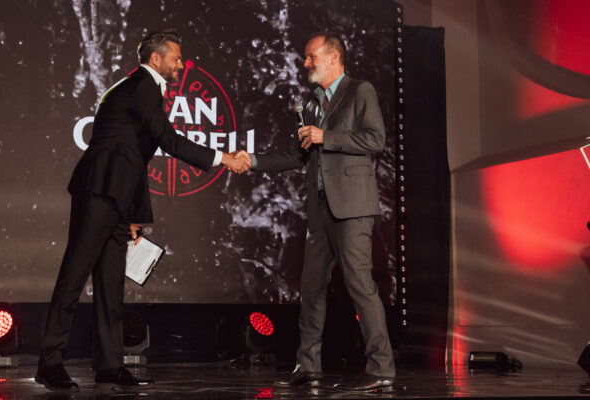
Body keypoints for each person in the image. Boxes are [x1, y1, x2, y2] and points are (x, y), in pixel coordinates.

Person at [36, 31, 249, 392]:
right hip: (98, 192)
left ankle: (109, 366)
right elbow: (169, 140)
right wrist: (224, 158)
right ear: (156, 59)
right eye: (176, 58)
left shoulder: (142, 89)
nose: (181, 65)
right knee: (74, 277)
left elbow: (134, 157)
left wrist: (135, 214)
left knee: (111, 285)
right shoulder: (142, 87)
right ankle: (50, 363)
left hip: (115, 199)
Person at [236, 32, 395, 392]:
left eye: (311, 57)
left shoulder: (359, 91)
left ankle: (382, 367)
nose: (305, 63)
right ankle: (308, 366)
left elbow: (376, 139)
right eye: (306, 57)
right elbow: (297, 156)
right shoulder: (311, 104)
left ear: (333, 56)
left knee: (360, 285)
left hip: (352, 206)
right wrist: (253, 161)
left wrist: (328, 137)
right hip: (320, 208)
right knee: (310, 289)